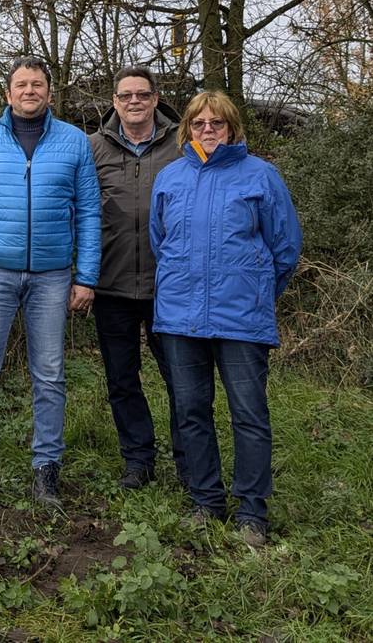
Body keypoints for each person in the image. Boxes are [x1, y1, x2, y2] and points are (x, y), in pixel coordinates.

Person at [0, 56, 101, 507]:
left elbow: (90, 213)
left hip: (54, 276)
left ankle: (46, 470)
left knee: (49, 375)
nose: (29, 91)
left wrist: (86, 275)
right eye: (21, 84)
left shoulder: (73, 142)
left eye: (37, 84)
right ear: (7, 93)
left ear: (49, 93)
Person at [150, 91, 301, 547]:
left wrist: (254, 292)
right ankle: (206, 501)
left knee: (249, 416)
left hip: (241, 319)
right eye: (199, 124)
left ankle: (252, 511)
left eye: (217, 123)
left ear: (232, 128)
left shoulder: (261, 176)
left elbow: (285, 248)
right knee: (191, 411)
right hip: (180, 318)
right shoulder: (170, 178)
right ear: (187, 130)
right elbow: (161, 244)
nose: (208, 130)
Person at [89, 66, 187, 489]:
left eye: (142, 95)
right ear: (114, 101)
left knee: (182, 381)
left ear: (154, 98)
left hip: (171, 286)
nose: (134, 102)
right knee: (122, 380)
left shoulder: (182, 145)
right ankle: (138, 460)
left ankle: (191, 464)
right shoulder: (92, 147)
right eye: (125, 95)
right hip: (111, 283)